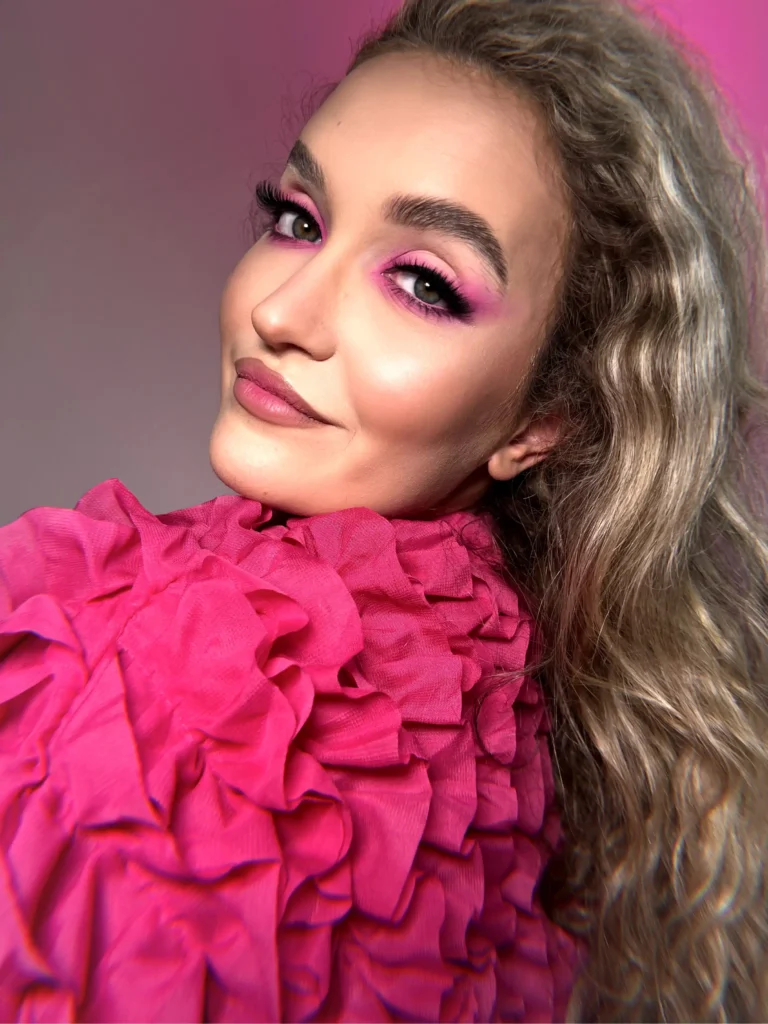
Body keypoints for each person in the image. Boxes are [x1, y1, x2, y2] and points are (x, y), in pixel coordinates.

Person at [0, 0, 766, 1019]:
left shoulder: (203, 673)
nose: (280, 312)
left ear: (545, 418)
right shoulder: (513, 717)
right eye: (297, 220)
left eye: (421, 283)